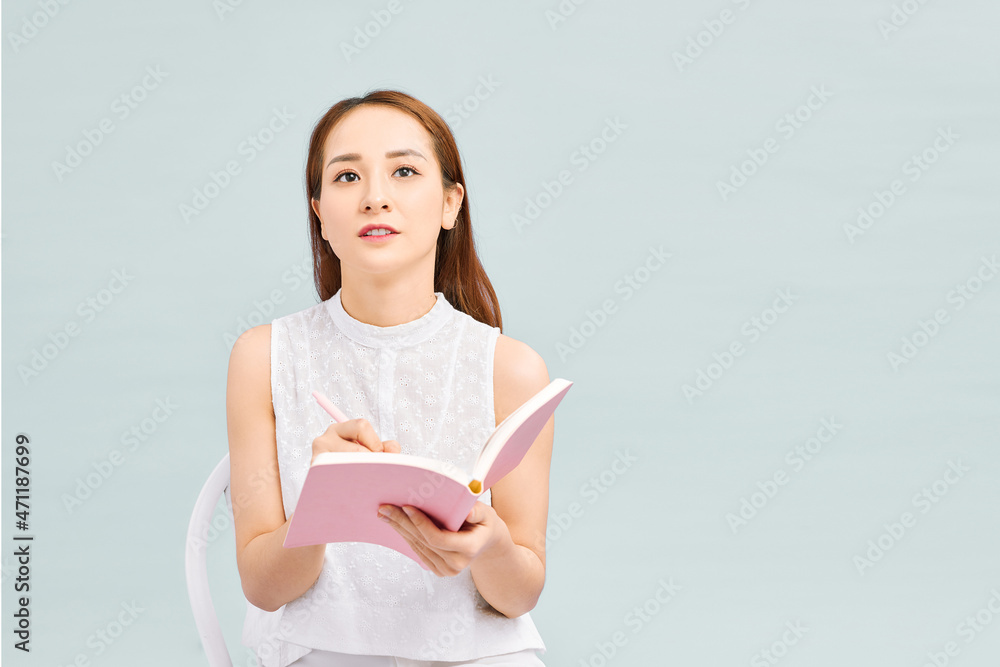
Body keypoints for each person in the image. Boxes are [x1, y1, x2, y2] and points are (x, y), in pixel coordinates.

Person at [225, 89, 555, 667]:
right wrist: (325, 504)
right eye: (347, 177)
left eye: (404, 171)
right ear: (320, 211)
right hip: (321, 654)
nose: (375, 197)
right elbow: (263, 586)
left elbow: (520, 592)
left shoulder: (511, 368)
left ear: (451, 204)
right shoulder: (263, 357)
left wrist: (491, 542)